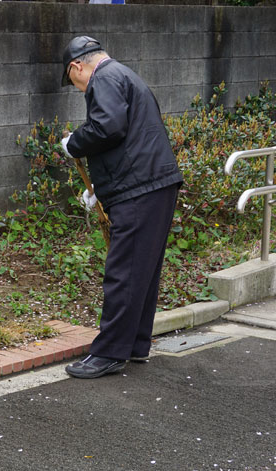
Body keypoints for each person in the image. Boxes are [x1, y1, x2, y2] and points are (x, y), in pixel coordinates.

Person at [59, 36, 183, 378]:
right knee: (142, 271)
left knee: (124, 272)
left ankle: (109, 353)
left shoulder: (104, 78)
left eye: (73, 81)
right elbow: (130, 140)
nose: (79, 88)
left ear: (76, 66)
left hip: (140, 191)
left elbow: (106, 127)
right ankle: (135, 345)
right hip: (153, 186)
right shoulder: (125, 76)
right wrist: (101, 188)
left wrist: (74, 144)